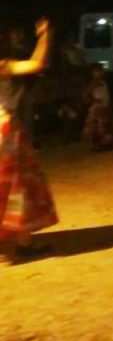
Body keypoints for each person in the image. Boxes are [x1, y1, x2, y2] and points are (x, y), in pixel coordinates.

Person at [0, 18, 57, 261]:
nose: (17, 37)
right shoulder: (3, 65)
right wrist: (45, 35)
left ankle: (11, 245)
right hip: (4, 131)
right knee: (17, 188)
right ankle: (20, 243)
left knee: (6, 189)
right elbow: (37, 63)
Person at [82, 63, 113, 150]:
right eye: (97, 71)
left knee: (105, 125)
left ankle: (106, 144)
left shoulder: (103, 82)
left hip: (104, 106)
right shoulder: (94, 83)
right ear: (93, 73)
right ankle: (98, 144)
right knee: (99, 127)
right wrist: (94, 101)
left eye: (100, 71)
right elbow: (86, 94)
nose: (99, 73)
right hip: (98, 108)